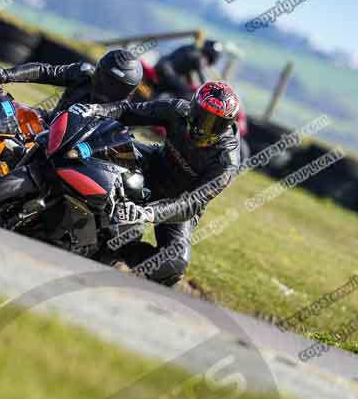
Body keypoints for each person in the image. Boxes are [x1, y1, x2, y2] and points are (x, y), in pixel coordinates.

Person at [72, 81, 242, 286]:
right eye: (202, 118)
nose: (203, 128)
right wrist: (97, 109)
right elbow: (129, 111)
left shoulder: (226, 162)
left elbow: (191, 203)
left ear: (227, 125)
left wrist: (147, 212)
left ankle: (118, 254)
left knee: (173, 264)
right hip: (155, 165)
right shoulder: (177, 110)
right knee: (110, 146)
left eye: (215, 124)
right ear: (193, 107)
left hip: (179, 202)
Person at [0, 49, 143, 121]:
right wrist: (7, 74)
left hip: (75, 157)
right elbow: (44, 71)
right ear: (99, 72)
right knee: (0, 112)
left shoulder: (124, 113)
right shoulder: (83, 73)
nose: (107, 88)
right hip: (47, 126)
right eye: (106, 80)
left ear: (128, 90)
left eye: (115, 86)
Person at [152, 39, 224, 99]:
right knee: (185, 92)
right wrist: (208, 90)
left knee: (183, 87)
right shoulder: (199, 57)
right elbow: (201, 79)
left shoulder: (193, 49)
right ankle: (161, 104)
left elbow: (186, 69)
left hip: (163, 66)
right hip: (167, 71)